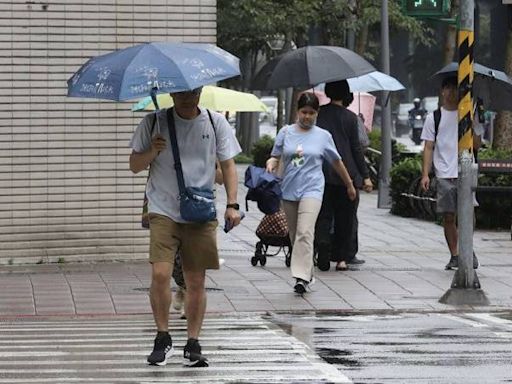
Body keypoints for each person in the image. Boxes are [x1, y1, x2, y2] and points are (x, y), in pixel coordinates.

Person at [129, 86, 242, 367]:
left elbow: (228, 167)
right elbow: (134, 165)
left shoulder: (216, 123)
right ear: (171, 93)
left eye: (192, 91)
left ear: (200, 91)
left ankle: (193, 343)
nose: (187, 96)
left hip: (200, 210)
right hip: (162, 210)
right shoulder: (153, 122)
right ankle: (162, 336)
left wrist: (232, 204)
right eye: (180, 91)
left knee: (196, 281)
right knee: (160, 273)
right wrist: (152, 151)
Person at [265, 92, 356, 294]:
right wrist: (271, 163)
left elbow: (336, 161)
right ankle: (308, 272)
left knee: (305, 232)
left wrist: (349, 184)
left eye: (312, 113)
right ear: (297, 111)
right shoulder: (286, 132)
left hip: (312, 189)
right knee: (294, 234)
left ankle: (301, 277)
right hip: (288, 189)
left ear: (317, 113)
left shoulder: (323, 136)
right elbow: (275, 156)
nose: (307, 116)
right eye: (304, 112)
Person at [420, 76, 480, 270]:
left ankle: (467, 249)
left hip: (465, 171)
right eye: (448, 88)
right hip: (444, 173)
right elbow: (428, 147)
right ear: (442, 91)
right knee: (448, 216)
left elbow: (477, 145)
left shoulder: (467, 114)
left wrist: (475, 123)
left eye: (456, 88)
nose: (452, 92)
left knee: (467, 214)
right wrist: (425, 174)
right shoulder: (434, 117)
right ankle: (454, 254)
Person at [314, 81, 373, 272]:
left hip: (320, 171)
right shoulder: (351, 118)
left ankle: (322, 243)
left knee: (323, 214)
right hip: (346, 173)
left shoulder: (318, 114)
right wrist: (365, 176)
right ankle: (341, 259)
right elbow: (357, 149)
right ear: (346, 94)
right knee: (345, 217)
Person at [171, 161, 224, 320]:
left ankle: (188, 296)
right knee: (173, 260)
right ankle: (182, 287)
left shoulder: (210, 147)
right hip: (170, 208)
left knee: (194, 263)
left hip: (200, 210)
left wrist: (212, 165)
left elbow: (221, 179)